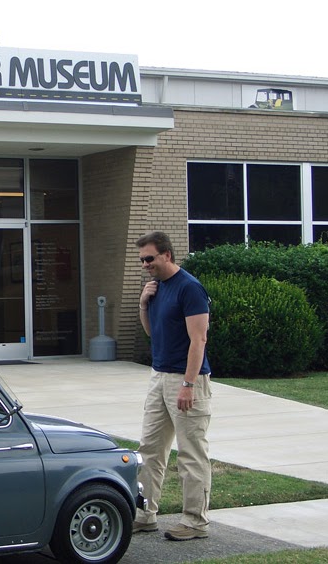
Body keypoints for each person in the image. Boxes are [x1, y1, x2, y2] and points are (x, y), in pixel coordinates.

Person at [132, 231, 212, 541]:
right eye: (142, 260)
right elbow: (154, 334)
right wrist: (142, 304)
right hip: (159, 376)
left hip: (186, 379)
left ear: (167, 255)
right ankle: (144, 514)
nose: (145, 265)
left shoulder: (190, 288)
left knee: (191, 453)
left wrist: (188, 385)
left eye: (149, 259)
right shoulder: (157, 288)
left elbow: (199, 339)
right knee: (150, 449)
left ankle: (195, 521)